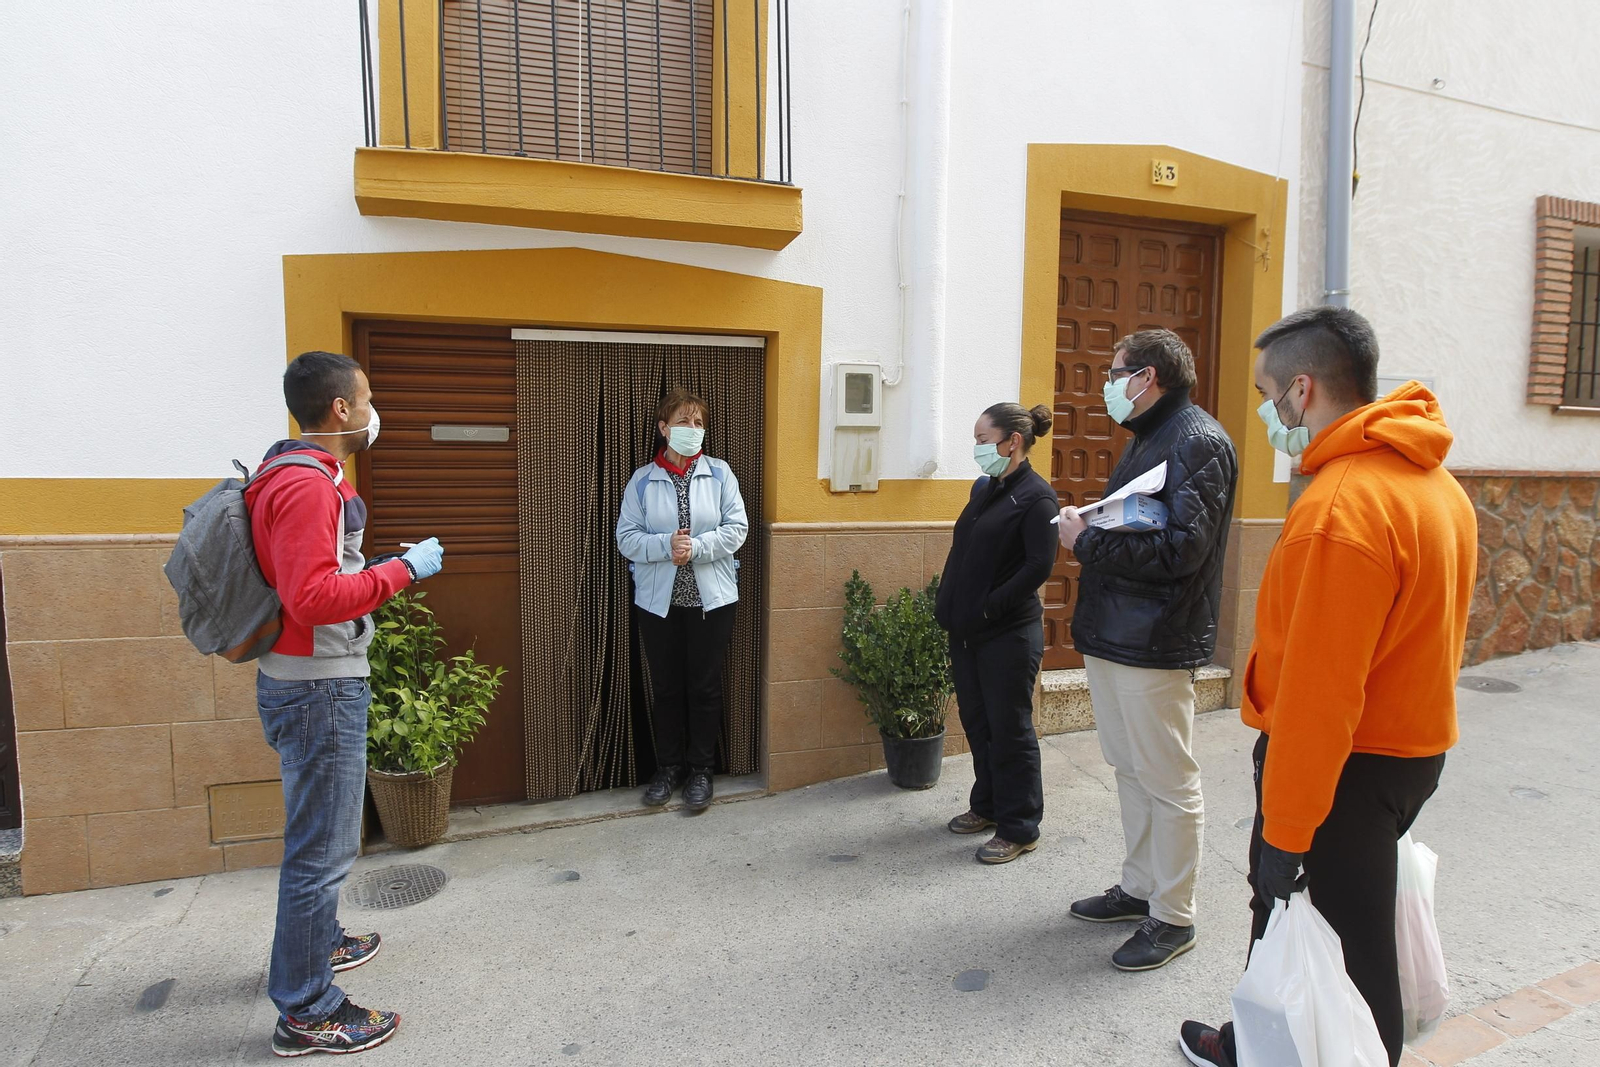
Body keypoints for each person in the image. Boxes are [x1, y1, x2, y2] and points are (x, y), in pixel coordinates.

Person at [1178, 307, 1476, 1067]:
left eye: (1265, 394)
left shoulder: (1342, 506)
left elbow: (1320, 697)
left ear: (1301, 390)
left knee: (1347, 947)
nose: (1265, 411)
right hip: (1408, 754)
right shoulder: (1433, 482)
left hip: (1347, 769)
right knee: (1317, 925)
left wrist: (1285, 830)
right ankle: (1252, 1045)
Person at [247, 351, 445, 1057]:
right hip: (319, 685)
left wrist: (372, 568)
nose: (370, 410)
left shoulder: (287, 470)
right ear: (340, 408)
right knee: (322, 852)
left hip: (303, 678)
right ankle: (307, 1010)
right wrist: (402, 571)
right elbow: (312, 597)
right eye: (366, 398)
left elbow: (315, 577)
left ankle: (318, 942)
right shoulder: (309, 486)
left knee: (316, 839)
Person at [1056, 329, 1238, 972]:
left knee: (1168, 779)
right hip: (1117, 631)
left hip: (1155, 638)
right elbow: (1142, 522)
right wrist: (1094, 524)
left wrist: (1086, 543)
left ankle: (1174, 915)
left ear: (1148, 376)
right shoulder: (1151, 436)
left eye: (1116, 373)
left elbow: (1183, 550)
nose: (1108, 384)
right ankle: (1138, 889)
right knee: (1130, 769)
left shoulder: (1197, 440)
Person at [935, 403, 1060, 864]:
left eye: (983, 440)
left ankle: (1020, 826)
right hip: (969, 632)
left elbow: (1038, 567)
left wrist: (989, 607)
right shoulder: (985, 488)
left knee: (1010, 730)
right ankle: (986, 805)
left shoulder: (1037, 498)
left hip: (1008, 634)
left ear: (1013, 442)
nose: (977, 449)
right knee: (978, 722)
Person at [617, 388, 749, 814]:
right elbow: (626, 538)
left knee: (704, 686)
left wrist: (696, 548)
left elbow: (737, 529)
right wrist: (665, 545)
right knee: (667, 687)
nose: (692, 429)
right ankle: (668, 768)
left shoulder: (720, 473)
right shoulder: (642, 480)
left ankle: (701, 771)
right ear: (663, 428)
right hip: (659, 603)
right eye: (683, 421)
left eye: (698, 422)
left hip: (712, 601)